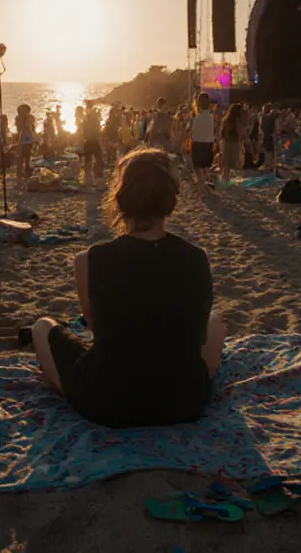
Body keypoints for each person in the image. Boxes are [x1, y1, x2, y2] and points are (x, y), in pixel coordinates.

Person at [28, 148, 225, 428]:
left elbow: (98, 327)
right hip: (183, 402)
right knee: (215, 320)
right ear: (170, 200)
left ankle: (70, 389)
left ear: (121, 200)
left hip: (108, 404)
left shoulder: (88, 260)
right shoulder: (197, 257)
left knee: (41, 328)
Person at [189, 93, 216, 193]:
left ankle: (203, 188)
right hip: (208, 143)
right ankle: (206, 185)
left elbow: (194, 131)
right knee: (205, 167)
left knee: (198, 168)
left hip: (198, 143)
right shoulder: (210, 116)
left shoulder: (198, 116)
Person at [218, 103, 246, 182]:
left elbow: (222, 133)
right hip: (234, 143)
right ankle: (227, 178)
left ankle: (225, 178)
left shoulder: (226, 119)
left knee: (226, 163)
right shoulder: (237, 121)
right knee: (233, 163)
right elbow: (240, 133)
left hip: (226, 143)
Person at [82, 102, 104, 186]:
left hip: (89, 140)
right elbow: (97, 128)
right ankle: (97, 178)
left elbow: (85, 129)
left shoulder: (87, 117)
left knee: (90, 159)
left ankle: (89, 179)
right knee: (97, 158)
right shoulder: (91, 116)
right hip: (92, 140)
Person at [15, 104, 37, 180]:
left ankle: (25, 172)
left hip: (28, 139)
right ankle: (20, 173)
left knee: (27, 157)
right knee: (21, 157)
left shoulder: (30, 117)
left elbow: (32, 128)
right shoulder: (18, 118)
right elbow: (19, 129)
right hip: (23, 139)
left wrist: (34, 138)